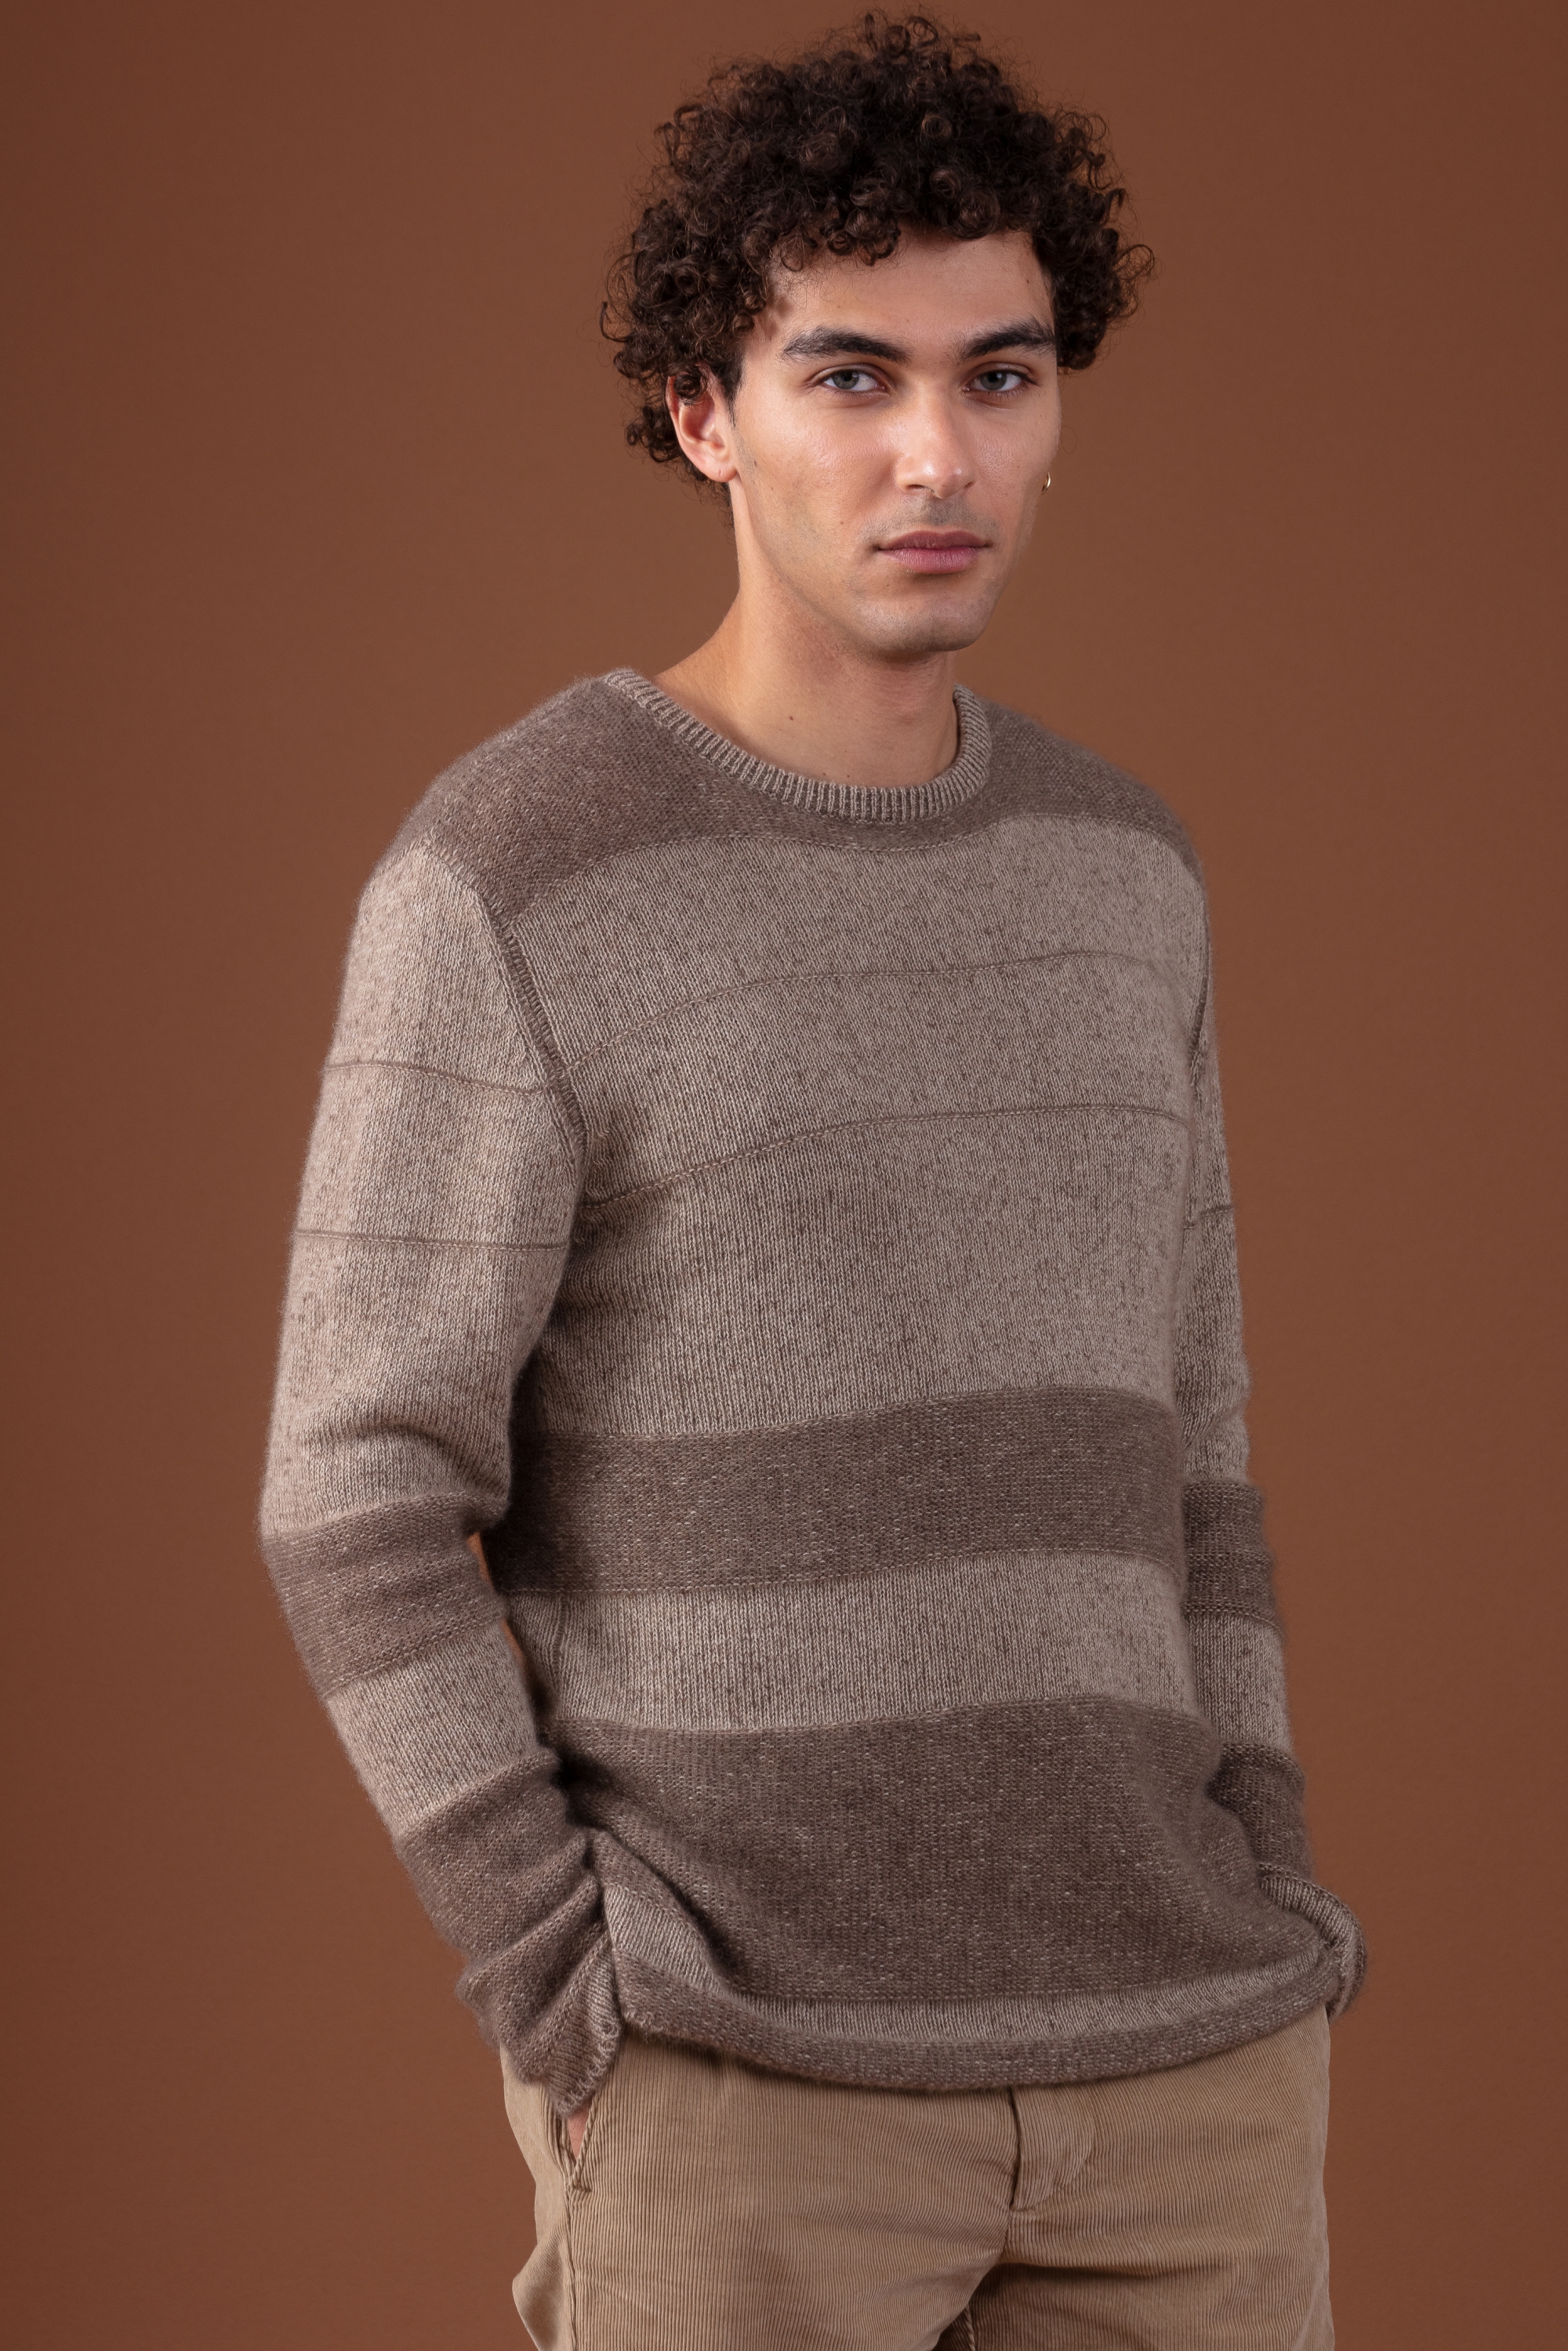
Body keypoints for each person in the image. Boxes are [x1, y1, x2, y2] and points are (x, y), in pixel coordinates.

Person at [260, 14, 1364, 2346]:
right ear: (706, 414)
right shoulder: (515, 870)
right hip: (740, 2092)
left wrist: (1268, 1880)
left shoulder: (1127, 871)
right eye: (849, 376)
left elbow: (1198, 1449)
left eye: (1001, 376)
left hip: (1189, 2078)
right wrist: (559, 1976)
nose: (936, 453)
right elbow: (353, 1485)